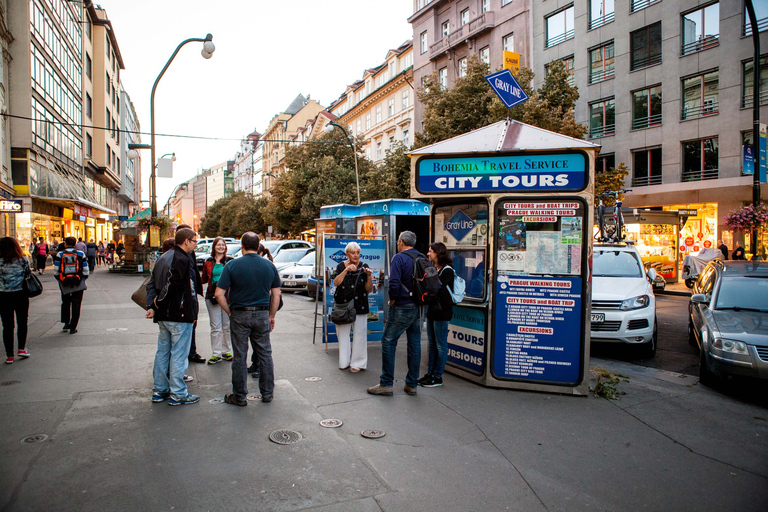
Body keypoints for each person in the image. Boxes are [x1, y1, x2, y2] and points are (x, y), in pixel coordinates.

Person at [215, 232, 280, 406]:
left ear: (242, 246)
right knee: (265, 354)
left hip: (239, 313)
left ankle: (240, 396)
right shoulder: (269, 266)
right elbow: (276, 294)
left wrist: (230, 312)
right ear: (258, 245)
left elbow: (218, 294)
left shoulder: (232, 265)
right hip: (262, 313)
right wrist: (271, 315)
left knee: (239, 356)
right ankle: (267, 393)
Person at [145, 228, 201, 405]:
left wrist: (153, 305)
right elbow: (173, 285)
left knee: (163, 352)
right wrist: (158, 302)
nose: (196, 244)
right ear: (186, 241)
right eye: (194, 241)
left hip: (164, 315)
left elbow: (151, 283)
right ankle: (178, 393)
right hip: (179, 313)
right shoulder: (181, 258)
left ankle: (160, 389)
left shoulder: (164, 257)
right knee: (178, 354)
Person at [368, 231, 423, 397]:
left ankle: (386, 383)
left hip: (402, 305)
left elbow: (394, 282)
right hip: (420, 307)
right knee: (414, 344)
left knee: (388, 341)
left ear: (400, 242)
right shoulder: (422, 258)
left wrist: (392, 299)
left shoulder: (399, 258)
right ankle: (412, 384)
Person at [331, 241, 372, 373]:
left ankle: (358, 363)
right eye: (353, 253)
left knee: (360, 334)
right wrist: (346, 270)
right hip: (343, 305)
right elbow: (336, 282)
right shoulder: (340, 266)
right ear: (347, 254)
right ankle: (344, 361)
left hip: (360, 304)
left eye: (358, 253)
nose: (356, 255)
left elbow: (369, 289)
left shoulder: (364, 267)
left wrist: (369, 276)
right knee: (342, 333)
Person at [419, 242, 455, 388]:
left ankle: (437, 376)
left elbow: (436, 289)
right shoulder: (434, 268)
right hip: (432, 311)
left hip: (442, 312)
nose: (428, 254)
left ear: (438, 253)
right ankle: (430, 374)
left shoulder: (447, 271)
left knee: (441, 345)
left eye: (430, 251)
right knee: (431, 344)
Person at [176, 224, 206, 364]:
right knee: (183, 327)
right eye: (194, 241)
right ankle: (182, 358)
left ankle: (191, 352)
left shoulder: (190, 253)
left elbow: (194, 271)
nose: (196, 244)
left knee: (192, 323)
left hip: (192, 294)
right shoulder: (176, 254)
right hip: (183, 297)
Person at [201, 237, 234, 364]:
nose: (221, 247)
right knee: (215, 326)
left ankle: (226, 351)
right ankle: (216, 353)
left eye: (223, 245)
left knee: (226, 326)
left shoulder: (230, 261)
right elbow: (203, 278)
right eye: (218, 245)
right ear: (214, 247)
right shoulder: (208, 262)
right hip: (212, 297)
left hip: (227, 298)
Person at [0, 237, 31, 364]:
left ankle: (9, 355)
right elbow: (28, 274)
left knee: (7, 325)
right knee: (22, 322)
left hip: (3, 296)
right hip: (21, 295)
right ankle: (21, 348)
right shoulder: (23, 259)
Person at [54, 237, 89, 334]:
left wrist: (59, 279)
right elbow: (86, 268)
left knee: (65, 302)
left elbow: (56, 269)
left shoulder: (60, 254)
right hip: (77, 281)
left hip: (64, 281)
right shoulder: (80, 254)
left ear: (65, 244)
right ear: (75, 244)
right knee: (76, 304)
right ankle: (73, 327)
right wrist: (83, 278)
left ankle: (66, 323)